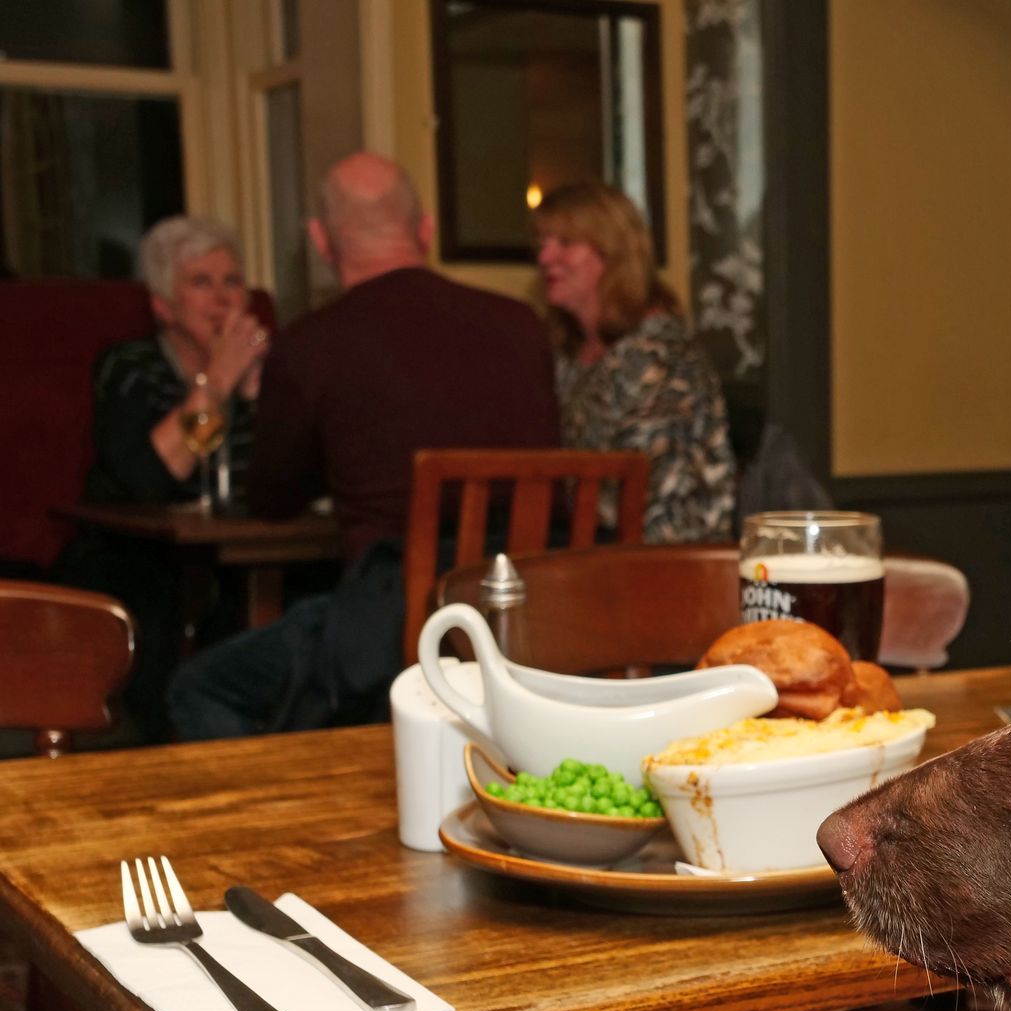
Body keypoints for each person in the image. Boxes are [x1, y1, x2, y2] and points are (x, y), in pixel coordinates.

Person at [167, 152, 560, 741]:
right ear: (424, 229)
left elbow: (271, 497)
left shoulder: (311, 344)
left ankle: (292, 800)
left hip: (395, 622)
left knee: (199, 687)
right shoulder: (522, 324)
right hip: (535, 608)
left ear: (321, 240)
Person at [54, 216, 269, 741]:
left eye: (232, 281)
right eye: (201, 283)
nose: (222, 298)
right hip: (135, 553)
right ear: (163, 306)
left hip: (242, 557)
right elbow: (152, 478)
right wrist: (217, 383)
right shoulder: (128, 367)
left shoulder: (266, 370)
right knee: (157, 605)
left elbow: (282, 482)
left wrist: (261, 397)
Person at [534, 182, 735, 542]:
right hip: (588, 547)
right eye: (542, 242)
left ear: (613, 252)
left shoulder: (661, 356)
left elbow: (658, 498)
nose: (545, 257)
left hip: (660, 558)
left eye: (565, 243)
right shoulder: (567, 350)